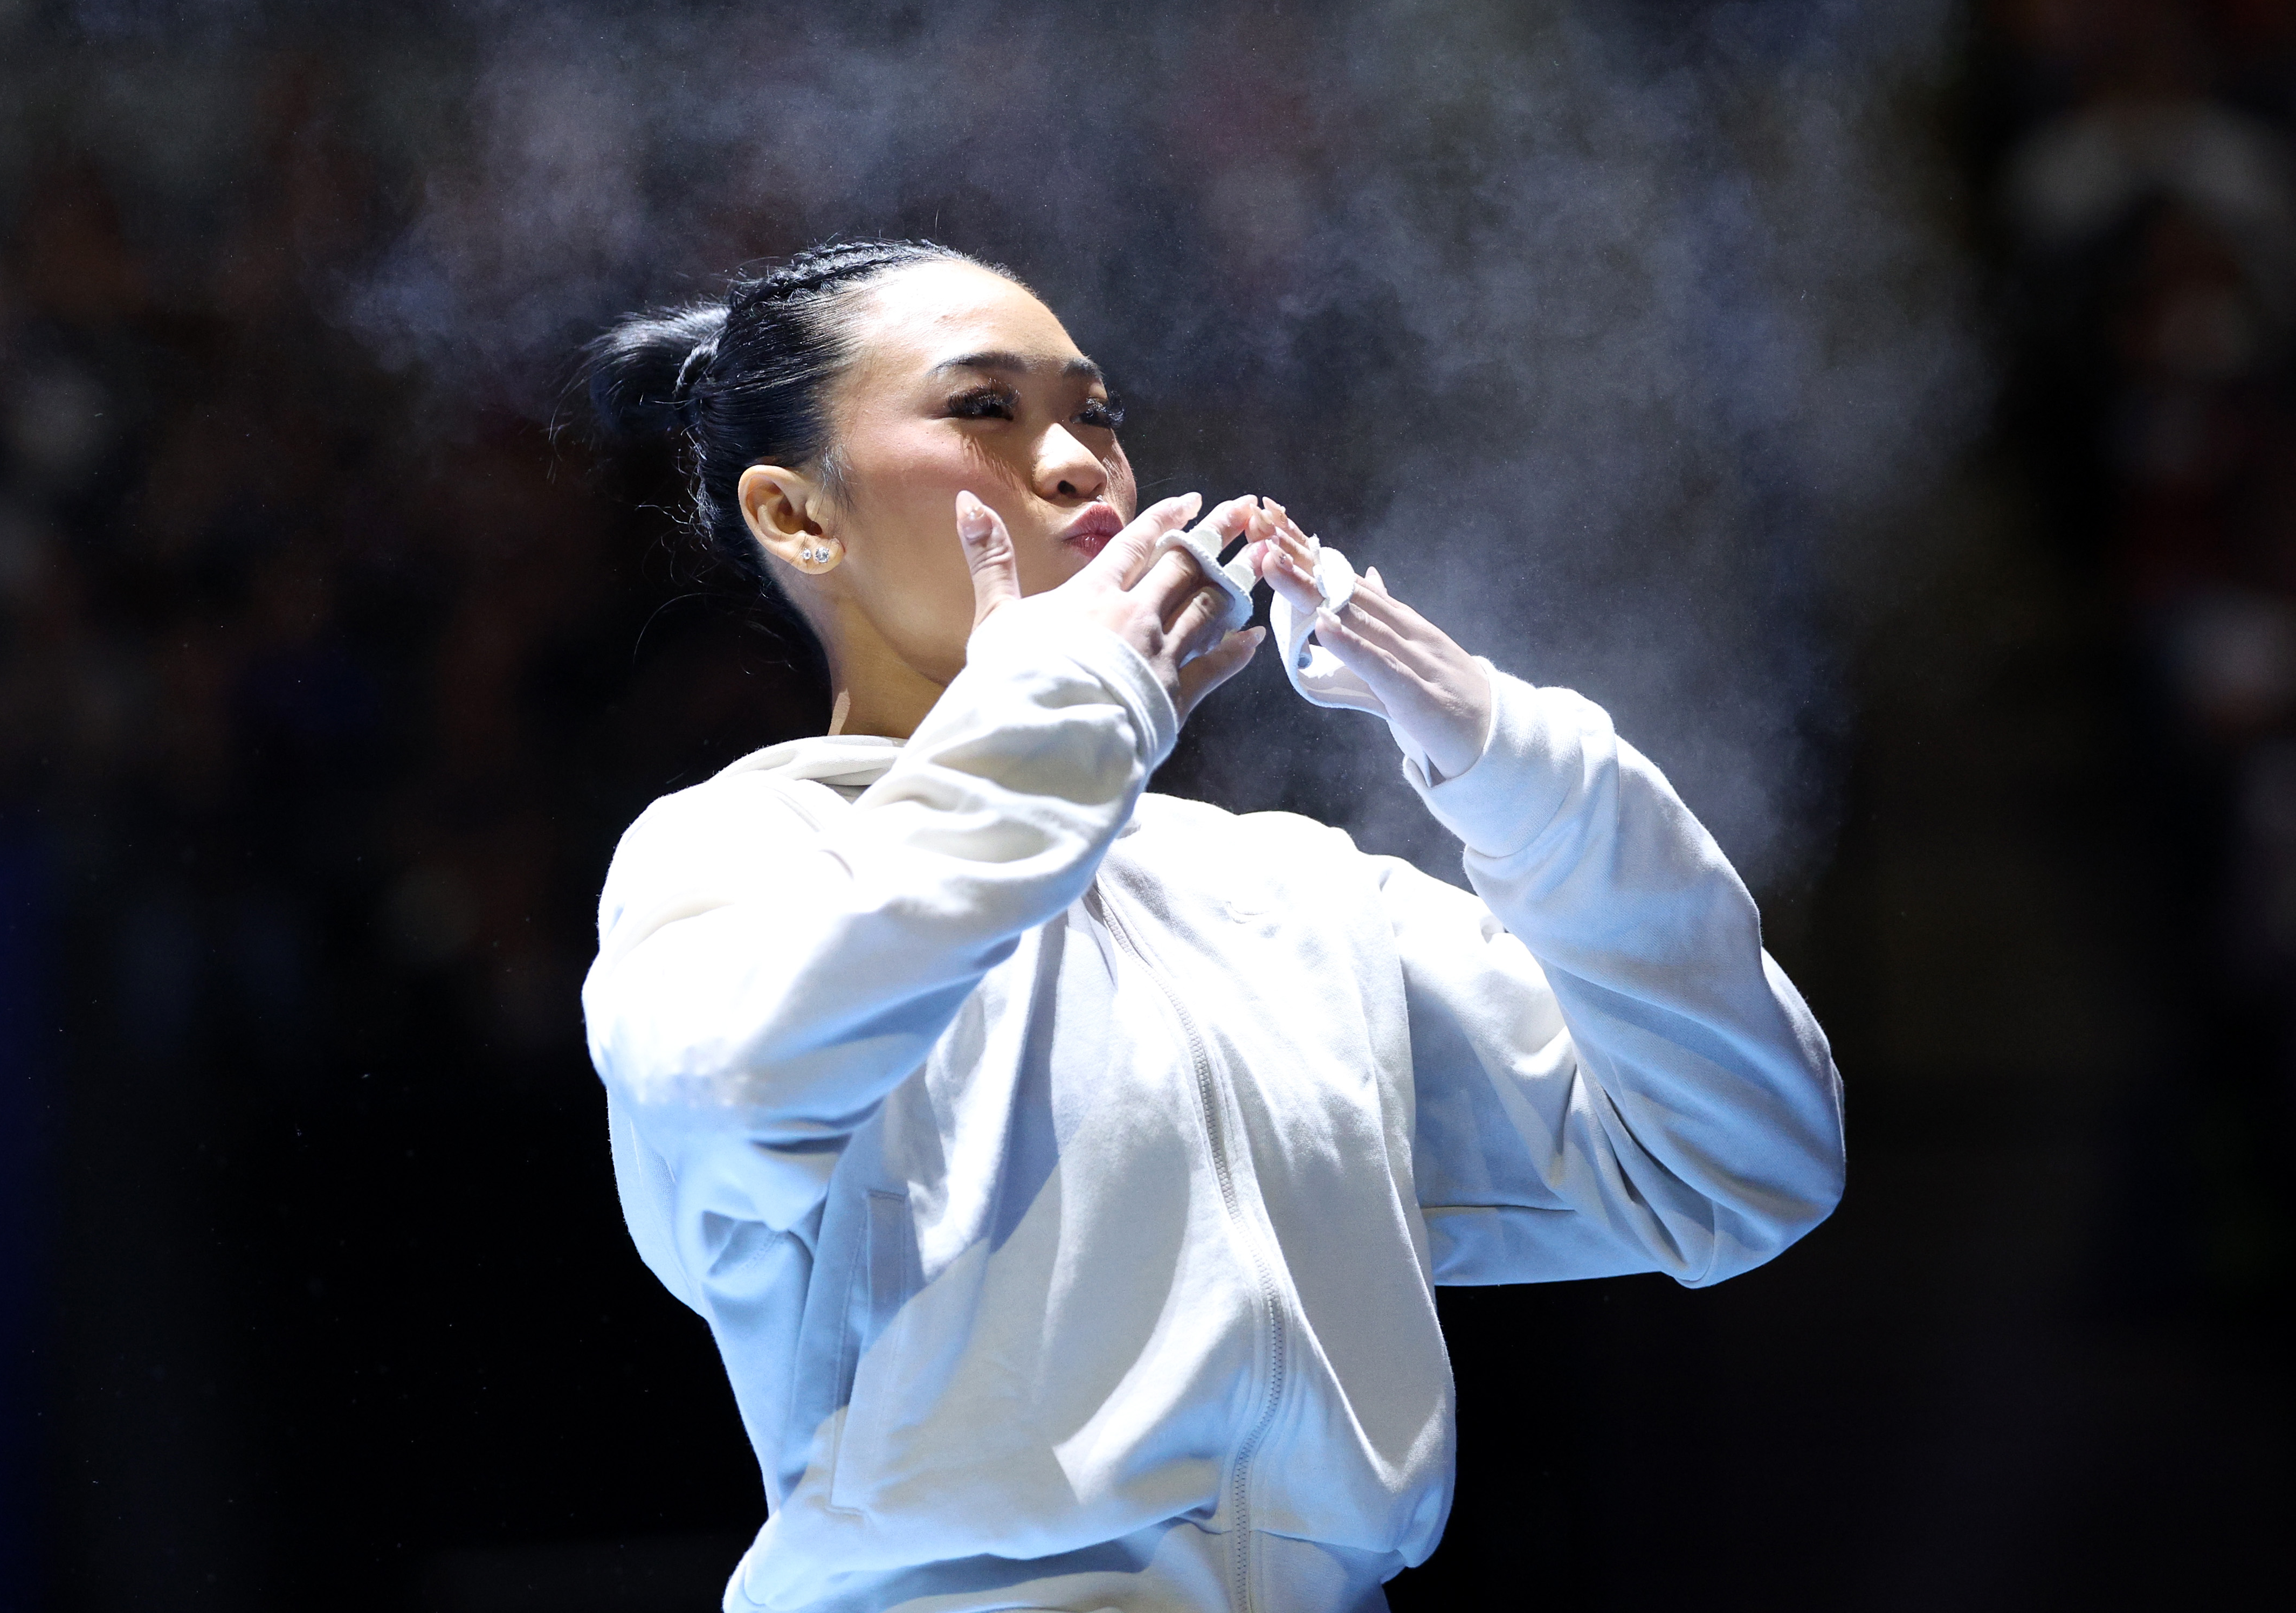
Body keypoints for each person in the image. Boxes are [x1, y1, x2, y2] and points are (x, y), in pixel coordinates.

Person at [575, 239, 1844, 1613]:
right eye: (983, 409)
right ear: (799, 514)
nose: (1078, 466)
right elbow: (745, 1076)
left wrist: (1517, 768)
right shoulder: (738, 857)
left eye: (1098, 414)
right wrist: (1057, 723)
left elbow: (1742, 1163)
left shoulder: (1292, 893)